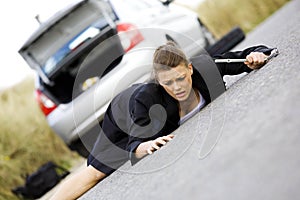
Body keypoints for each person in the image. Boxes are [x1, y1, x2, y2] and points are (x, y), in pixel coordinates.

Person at [50, 41, 274, 199]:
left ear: (190, 68)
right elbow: (133, 144)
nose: (177, 87)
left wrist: (257, 57)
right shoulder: (146, 100)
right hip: (124, 113)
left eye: (181, 78)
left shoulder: (207, 67)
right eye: (168, 83)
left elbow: (249, 54)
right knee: (96, 173)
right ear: (158, 80)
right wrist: (143, 145)